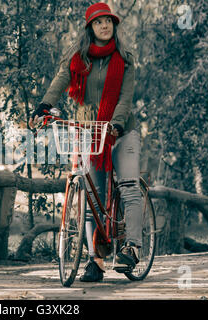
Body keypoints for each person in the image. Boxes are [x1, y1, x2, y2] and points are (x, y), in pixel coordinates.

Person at [30, 2, 143, 282]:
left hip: (121, 131)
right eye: (98, 22)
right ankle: (95, 260)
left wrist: (115, 124)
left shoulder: (125, 59)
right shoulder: (78, 58)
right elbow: (59, 82)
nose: (104, 26)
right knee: (91, 197)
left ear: (114, 26)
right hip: (88, 131)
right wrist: (44, 105)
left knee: (129, 186)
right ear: (89, 28)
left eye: (108, 21)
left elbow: (125, 99)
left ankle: (133, 247)